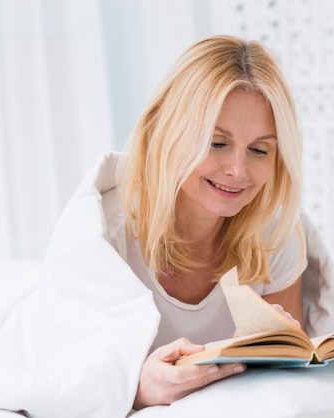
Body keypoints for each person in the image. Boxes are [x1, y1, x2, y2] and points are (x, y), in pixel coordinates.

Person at [102, 35, 308, 409]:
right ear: (168, 131)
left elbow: (289, 380)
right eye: (216, 143)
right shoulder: (107, 235)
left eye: (259, 150)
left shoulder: (273, 234)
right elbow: (72, 376)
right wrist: (139, 390)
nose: (237, 170)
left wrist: (278, 352)